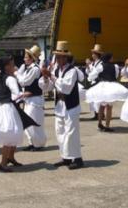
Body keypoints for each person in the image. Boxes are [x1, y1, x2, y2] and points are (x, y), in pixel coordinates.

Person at [0, 56, 39, 172]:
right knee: (10, 134)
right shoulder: (10, 79)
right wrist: (24, 94)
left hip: (2, 106)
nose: (14, 67)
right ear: (7, 67)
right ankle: (3, 163)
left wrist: (0, 97)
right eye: (12, 64)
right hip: (8, 107)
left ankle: (10, 157)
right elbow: (16, 93)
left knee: (16, 130)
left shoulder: (0, 78)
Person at [39, 41, 83, 170]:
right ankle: (66, 157)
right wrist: (46, 78)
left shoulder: (72, 71)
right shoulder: (57, 70)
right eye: (56, 57)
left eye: (59, 57)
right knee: (60, 132)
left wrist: (51, 76)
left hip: (71, 105)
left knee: (71, 133)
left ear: (66, 57)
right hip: (60, 105)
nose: (57, 59)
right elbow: (48, 88)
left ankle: (77, 158)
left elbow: (66, 88)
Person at [86, 52, 128, 132]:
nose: (113, 59)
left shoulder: (100, 66)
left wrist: (95, 79)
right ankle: (107, 126)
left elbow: (92, 75)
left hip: (102, 85)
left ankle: (100, 123)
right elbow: (116, 76)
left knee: (102, 105)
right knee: (109, 107)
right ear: (110, 58)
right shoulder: (115, 66)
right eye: (112, 57)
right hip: (111, 85)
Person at [15, 45, 47, 151]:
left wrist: (15, 72)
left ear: (32, 58)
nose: (24, 59)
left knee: (35, 121)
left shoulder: (35, 69)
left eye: (26, 57)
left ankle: (38, 144)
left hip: (35, 100)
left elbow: (24, 82)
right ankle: (32, 142)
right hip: (29, 99)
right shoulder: (28, 68)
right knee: (28, 122)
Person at [86, 44, 104, 121]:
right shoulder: (93, 63)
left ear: (97, 55)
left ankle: (101, 114)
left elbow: (95, 72)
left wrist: (90, 66)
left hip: (98, 82)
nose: (92, 55)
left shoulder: (101, 63)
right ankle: (96, 114)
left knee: (98, 99)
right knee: (92, 98)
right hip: (93, 82)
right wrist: (88, 66)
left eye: (94, 54)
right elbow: (88, 72)